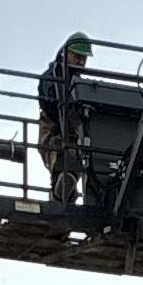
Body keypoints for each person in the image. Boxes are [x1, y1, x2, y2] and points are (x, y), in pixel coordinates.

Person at [36, 32, 92, 205]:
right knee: (63, 152)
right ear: (64, 54)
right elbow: (51, 105)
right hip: (55, 130)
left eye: (83, 58)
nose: (80, 62)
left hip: (77, 133)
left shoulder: (80, 83)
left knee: (84, 155)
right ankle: (61, 192)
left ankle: (68, 191)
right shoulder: (51, 76)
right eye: (76, 56)